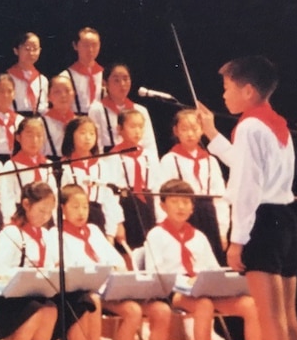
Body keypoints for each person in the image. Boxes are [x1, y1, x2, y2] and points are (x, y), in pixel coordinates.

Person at [197, 55, 297, 340]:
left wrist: (237, 241)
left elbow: (247, 186)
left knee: (271, 323)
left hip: (262, 222)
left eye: (227, 87)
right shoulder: (275, 123)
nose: (223, 95)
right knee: (288, 321)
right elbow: (247, 165)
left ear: (247, 90)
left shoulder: (247, 126)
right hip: (285, 220)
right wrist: (212, 134)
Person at [144, 180, 268, 340]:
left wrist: (215, 281)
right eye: (175, 202)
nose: (181, 207)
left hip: (205, 289)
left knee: (251, 305)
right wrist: (186, 282)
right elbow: (155, 274)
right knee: (203, 304)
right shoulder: (156, 235)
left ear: (193, 207)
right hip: (175, 292)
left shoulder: (199, 236)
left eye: (186, 202)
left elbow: (212, 269)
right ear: (163, 205)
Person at [60, 184, 171, 340]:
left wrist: (118, 270)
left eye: (85, 207)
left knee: (147, 310)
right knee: (111, 305)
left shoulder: (93, 230)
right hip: (86, 292)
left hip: (110, 289)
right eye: (75, 207)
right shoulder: (57, 235)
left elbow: (116, 260)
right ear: (62, 209)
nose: (81, 212)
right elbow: (70, 268)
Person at [0, 182, 61, 340]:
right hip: (8, 300)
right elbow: (0, 273)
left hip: (34, 296)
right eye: (41, 210)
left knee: (51, 309)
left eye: (49, 212)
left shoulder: (46, 235)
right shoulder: (12, 233)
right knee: (37, 309)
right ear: (26, 205)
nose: (45, 217)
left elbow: (51, 266)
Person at [160, 109, 228, 265]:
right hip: (182, 214)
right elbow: (161, 195)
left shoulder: (211, 161)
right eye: (184, 129)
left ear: (202, 130)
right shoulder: (170, 160)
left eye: (194, 129)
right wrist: (165, 224)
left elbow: (221, 199)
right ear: (176, 131)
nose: (190, 134)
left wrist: (222, 231)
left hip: (209, 216)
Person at [105, 109, 164, 250]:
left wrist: (161, 217)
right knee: (128, 251)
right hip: (126, 205)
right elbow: (111, 194)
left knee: (151, 250)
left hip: (147, 206)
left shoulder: (149, 156)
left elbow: (158, 188)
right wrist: (117, 222)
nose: (137, 131)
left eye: (140, 127)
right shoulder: (113, 157)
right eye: (132, 127)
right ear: (120, 129)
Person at [60, 116, 123, 244]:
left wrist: (110, 232)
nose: (88, 137)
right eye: (82, 133)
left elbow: (109, 199)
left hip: (98, 217)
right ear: (71, 136)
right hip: (73, 218)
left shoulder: (102, 165)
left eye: (92, 133)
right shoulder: (64, 167)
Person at [87, 63, 158, 159]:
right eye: (116, 80)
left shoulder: (140, 110)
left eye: (126, 79)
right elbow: (96, 147)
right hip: (110, 165)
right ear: (105, 83)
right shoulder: (97, 110)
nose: (122, 84)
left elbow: (150, 146)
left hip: (138, 162)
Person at [0, 118, 57, 224]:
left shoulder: (47, 164)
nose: (34, 140)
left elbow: (54, 193)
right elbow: (7, 196)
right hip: (21, 215)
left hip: (45, 217)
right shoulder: (11, 165)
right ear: (18, 137)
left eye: (39, 136)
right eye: (29, 135)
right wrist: (10, 220)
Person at [60, 28, 103, 115]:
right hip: (75, 121)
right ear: (75, 46)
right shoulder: (66, 77)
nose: (90, 50)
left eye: (94, 45)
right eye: (86, 45)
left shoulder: (105, 74)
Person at [7, 32, 49, 117]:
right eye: (27, 48)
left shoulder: (42, 80)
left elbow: (44, 107)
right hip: (13, 120)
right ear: (16, 50)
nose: (31, 53)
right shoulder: (7, 78)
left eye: (35, 49)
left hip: (36, 122)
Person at [40, 75, 77, 160]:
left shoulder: (79, 122)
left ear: (74, 94)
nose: (63, 95)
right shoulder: (41, 123)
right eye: (57, 92)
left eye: (67, 90)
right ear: (48, 96)